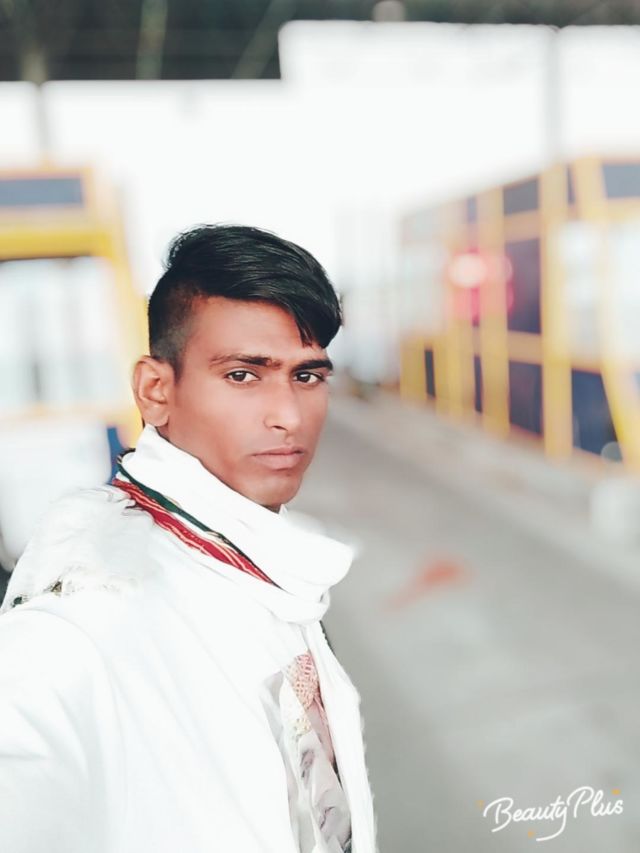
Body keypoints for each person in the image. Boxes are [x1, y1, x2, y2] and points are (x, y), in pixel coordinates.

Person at [0, 225, 378, 853]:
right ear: (156, 391)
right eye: (242, 375)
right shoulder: (80, 622)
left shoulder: (259, 559)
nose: (288, 415)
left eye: (307, 376)